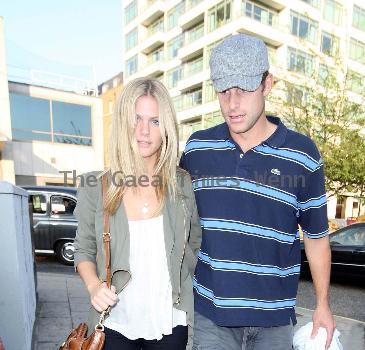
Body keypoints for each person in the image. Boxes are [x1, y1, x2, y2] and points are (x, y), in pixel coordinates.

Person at [180, 34, 335, 350]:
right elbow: (175, 225)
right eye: (224, 91)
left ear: (267, 83)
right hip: (211, 316)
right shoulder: (197, 149)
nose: (233, 103)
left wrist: (323, 304)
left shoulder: (303, 156)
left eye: (244, 89)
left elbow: (317, 238)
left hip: (274, 322)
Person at [74, 77, 202, 350]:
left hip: (169, 321)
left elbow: (193, 245)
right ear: (123, 123)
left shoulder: (181, 185)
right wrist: (94, 286)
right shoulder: (96, 186)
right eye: (137, 119)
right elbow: (83, 249)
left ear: (166, 127)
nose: (144, 131)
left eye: (155, 121)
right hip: (115, 323)